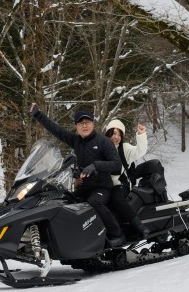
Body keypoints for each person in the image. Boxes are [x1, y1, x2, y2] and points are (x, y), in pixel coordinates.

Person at [29, 104, 126, 247]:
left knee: (94, 202)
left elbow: (116, 164)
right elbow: (57, 130)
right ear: (76, 126)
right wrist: (38, 115)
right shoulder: (76, 141)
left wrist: (96, 165)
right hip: (84, 187)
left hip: (102, 188)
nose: (84, 125)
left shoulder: (103, 142)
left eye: (87, 122)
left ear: (93, 124)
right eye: (81, 123)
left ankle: (118, 234)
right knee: (64, 203)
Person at [104, 119, 151, 238]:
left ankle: (139, 226)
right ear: (108, 133)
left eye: (119, 134)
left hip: (120, 184)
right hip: (104, 185)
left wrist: (141, 135)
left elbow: (140, 151)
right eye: (114, 133)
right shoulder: (101, 149)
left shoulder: (124, 148)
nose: (116, 137)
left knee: (117, 199)